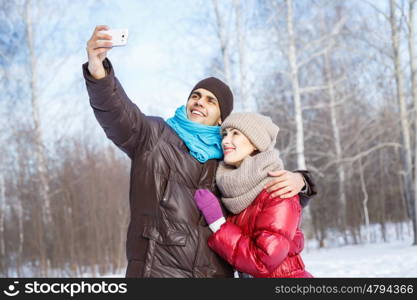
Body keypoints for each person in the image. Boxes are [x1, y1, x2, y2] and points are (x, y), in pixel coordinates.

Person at [83, 25, 316, 278]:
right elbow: (119, 114)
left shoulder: (228, 162)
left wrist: (301, 181)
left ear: (220, 119)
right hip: (158, 272)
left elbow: (264, 201)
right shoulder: (155, 136)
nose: (199, 102)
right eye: (196, 96)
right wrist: (99, 73)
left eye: (210, 100)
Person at [194, 112, 313, 278]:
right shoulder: (231, 188)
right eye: (225, 134)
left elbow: (262, 261)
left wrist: (219, 225)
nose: (226, 140)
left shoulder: (278, 189)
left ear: (256, 143)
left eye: (235, 133)